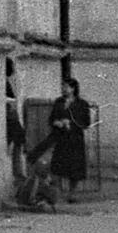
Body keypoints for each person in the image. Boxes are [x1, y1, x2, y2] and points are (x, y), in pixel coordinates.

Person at [46, 76, 92, 205]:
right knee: (57, 166)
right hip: (62, 139)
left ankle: (72, 193)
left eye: (66, 86)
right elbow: (51, 119)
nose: (63, 89)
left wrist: (72, 122)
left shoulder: (82, 104)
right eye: (62, 86)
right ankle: (57, 193)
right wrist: (57, 122)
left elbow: (86, 123)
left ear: (73, 89)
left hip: (75, 139)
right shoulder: (58, 102)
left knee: (75, 168)